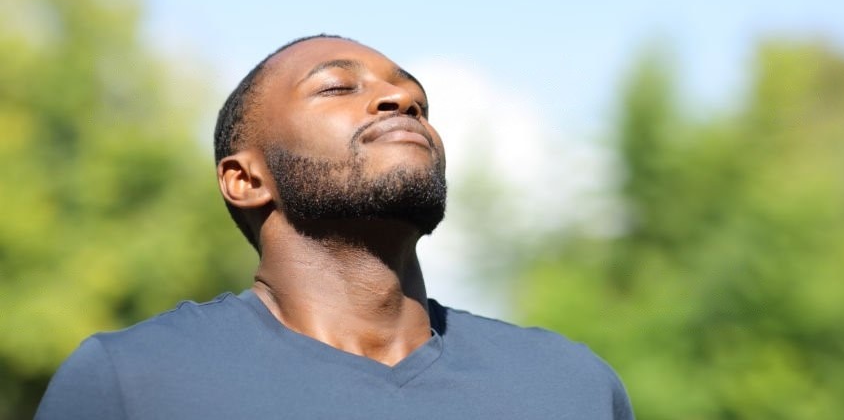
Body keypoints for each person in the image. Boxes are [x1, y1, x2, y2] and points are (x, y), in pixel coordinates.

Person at [35, 35, 634, 419]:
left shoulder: (570, 387)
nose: (399, 101)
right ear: (246, 180)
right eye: (338, 87)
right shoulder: (134, 385)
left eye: (416, 100)